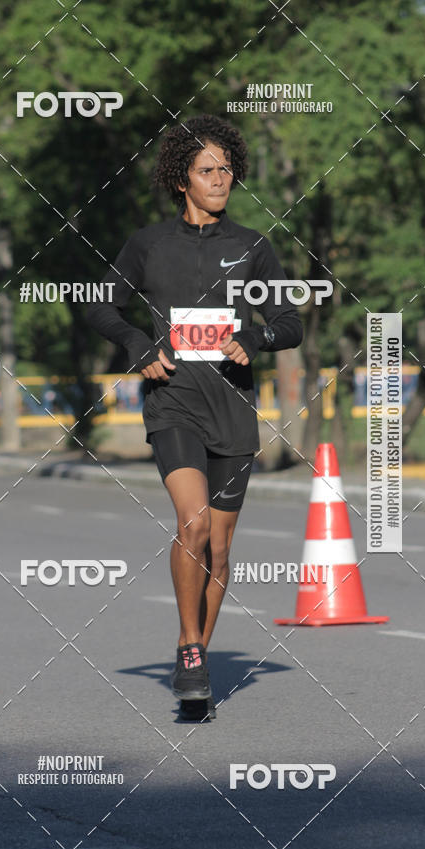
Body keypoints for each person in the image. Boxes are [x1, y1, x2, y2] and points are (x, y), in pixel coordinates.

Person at [87, 115, 303, 721]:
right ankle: (187, 647)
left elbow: (290, 324)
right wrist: (137, 348)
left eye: (227, 169)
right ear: (183, 179)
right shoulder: (149, 245)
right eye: (208, 170)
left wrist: (254, 339)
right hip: (174, 402)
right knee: (194, 524)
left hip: (233, 409)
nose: (220, 179)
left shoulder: (252, 248)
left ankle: (198, 662)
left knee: (223, 549)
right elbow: (102, 305)